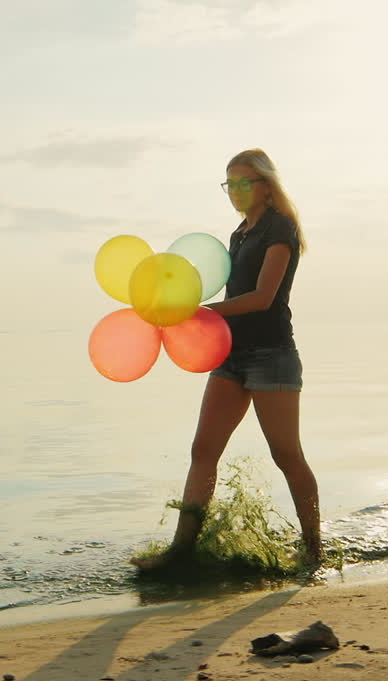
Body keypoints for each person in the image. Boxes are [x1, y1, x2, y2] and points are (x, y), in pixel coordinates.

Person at [132, 148, 322, 570]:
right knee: (203, 449)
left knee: (286, 455)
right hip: (231, 355)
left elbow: (261, 298)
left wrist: (196, 312)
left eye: (243, 183)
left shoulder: (280, 229)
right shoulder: (240, 234)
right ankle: (180, 553)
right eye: (229, 184)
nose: (235, 191)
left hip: (272, 355)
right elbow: (231, 296)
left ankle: (314, 551)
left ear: (266, 186)